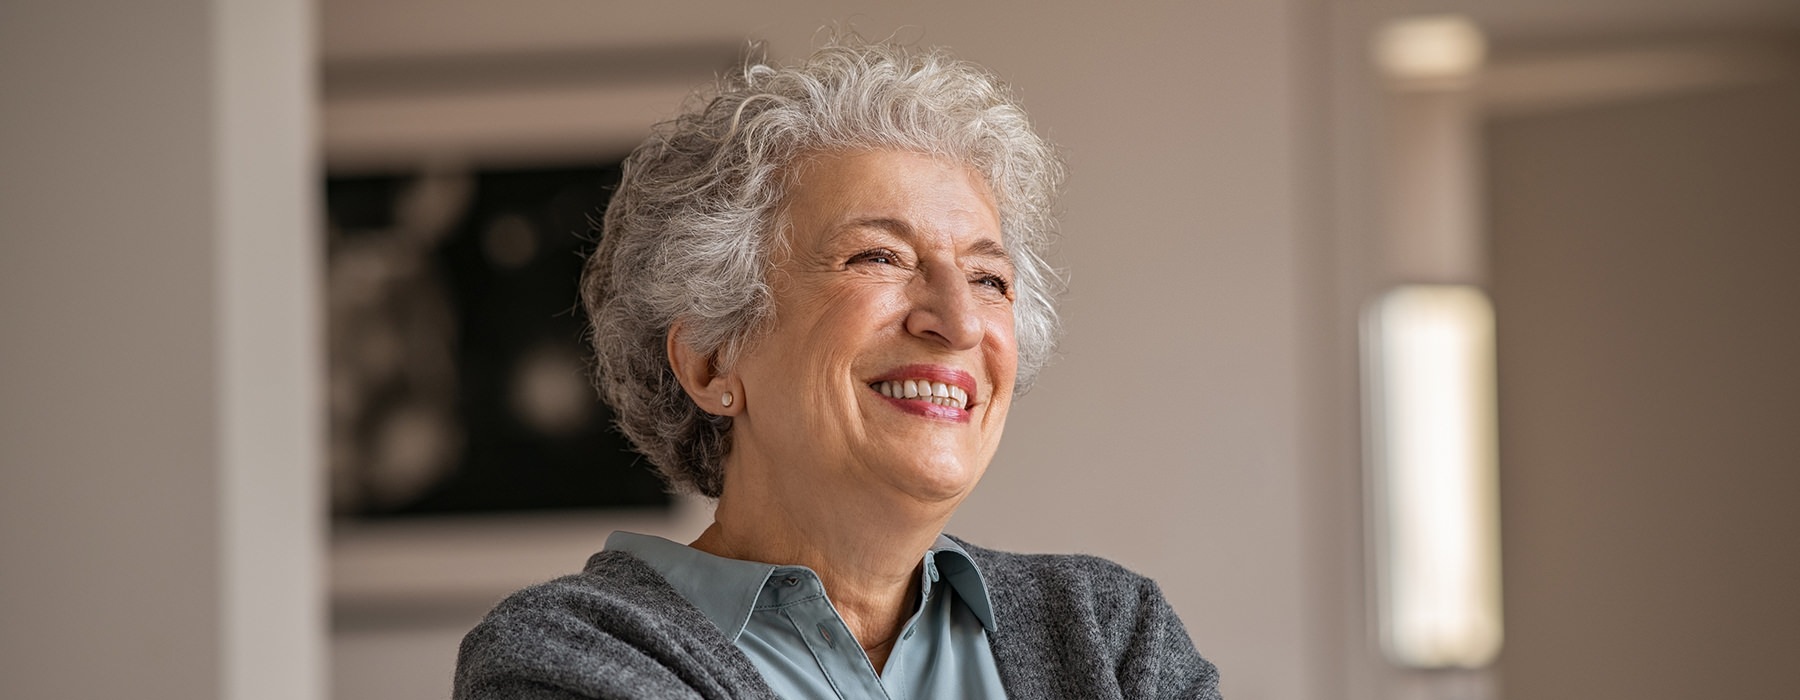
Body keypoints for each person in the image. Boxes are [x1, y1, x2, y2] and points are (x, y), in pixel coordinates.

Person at [454, 37, 1221, 700]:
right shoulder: (563, 659)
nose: (956, 322)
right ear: (713, 358)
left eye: (990, 278)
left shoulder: (1110, 635)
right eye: (878, 256)